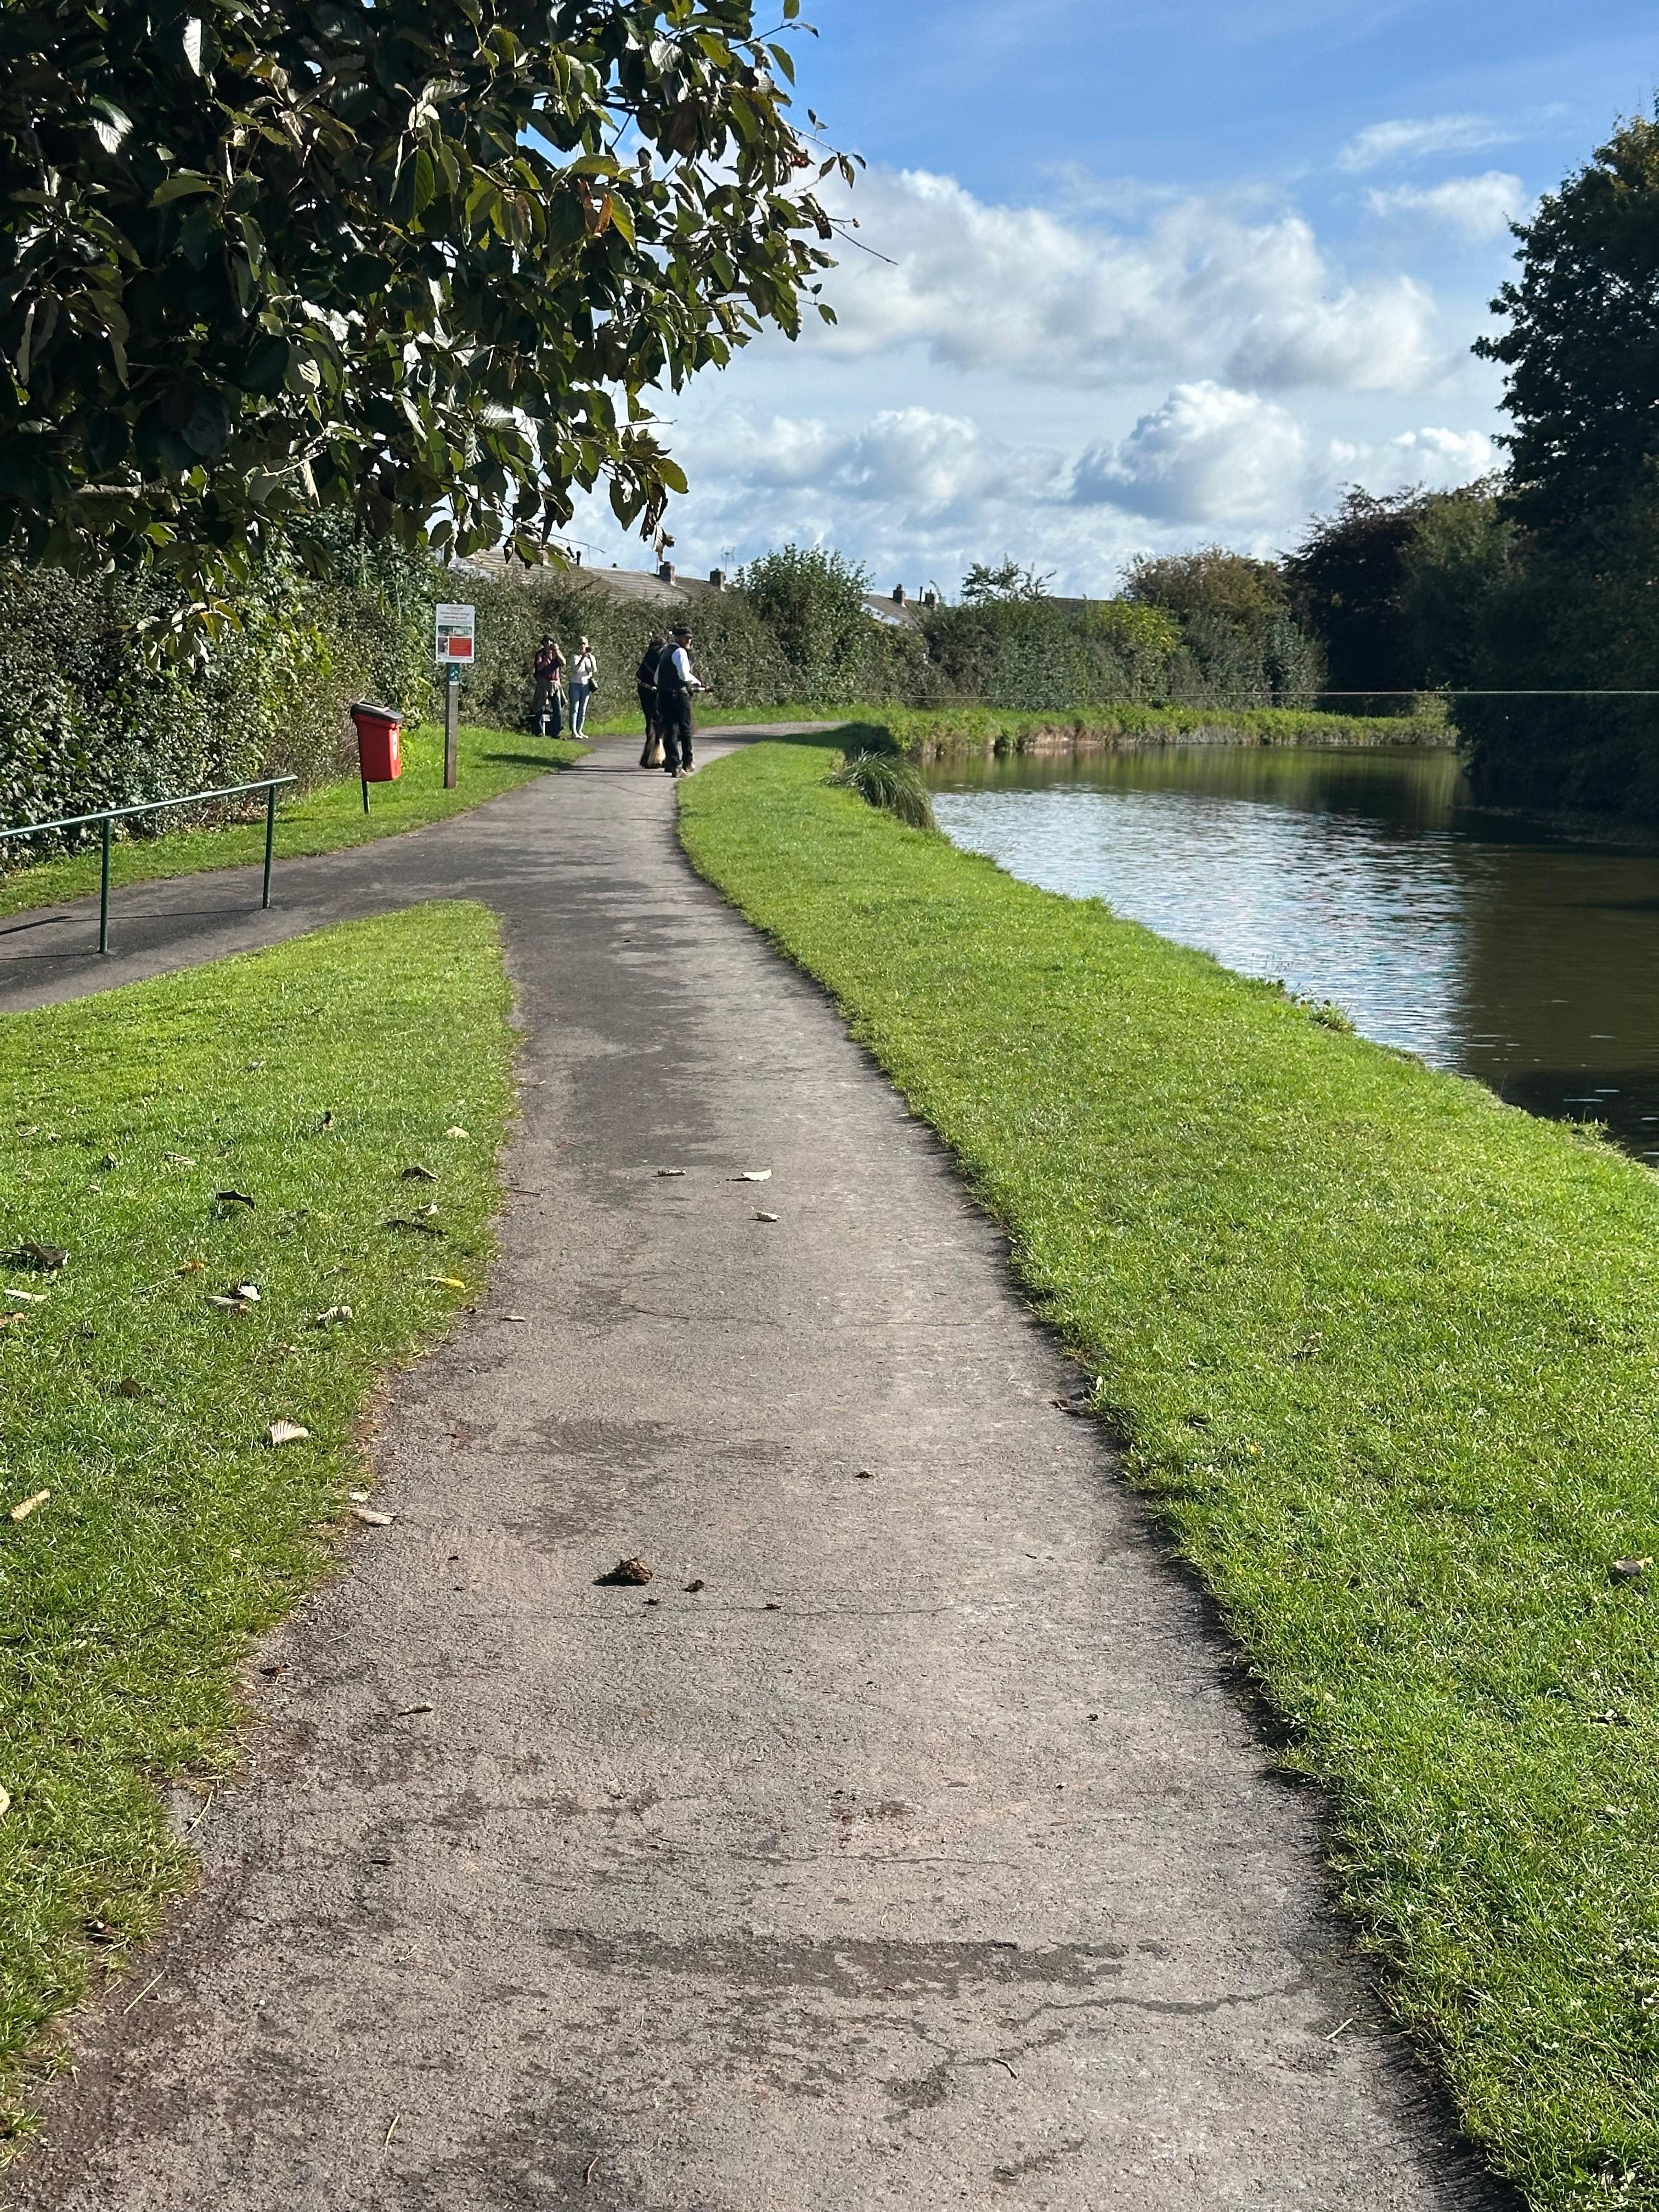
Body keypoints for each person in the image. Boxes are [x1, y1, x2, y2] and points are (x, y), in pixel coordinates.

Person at [656, 623, 702, 778]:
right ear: (678, 638)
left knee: (670, 729)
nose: (689, 640)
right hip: (678, 695)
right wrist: (697, 683)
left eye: (690, 638)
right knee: (685, 728)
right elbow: (684, 675)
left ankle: (673, 765)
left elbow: (657, 677)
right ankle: (688, 762)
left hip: (663, 695)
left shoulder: (665, 652)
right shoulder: (680, 652)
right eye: (686, 638)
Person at [636, 635, 666, 768]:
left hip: (647, 690)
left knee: (650, 722)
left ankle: (649, 756)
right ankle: (664, 755)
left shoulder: (647, 658)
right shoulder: (666, 656)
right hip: (664, 691)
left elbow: (639, 675)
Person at [531, 635, 565, 737]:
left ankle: (556, 732)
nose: (549, 643)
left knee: (557, 708)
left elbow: (563, 663)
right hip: (543, 682)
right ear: (544, 643)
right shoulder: (540, 654)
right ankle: (538, 731)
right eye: (547, 642)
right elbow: (539, 667)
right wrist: (547, 657)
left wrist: (557, 652)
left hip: (555, 683)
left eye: (551, 641)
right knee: (540, 706)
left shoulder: (557, 653)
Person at [569, 635, 599, 737]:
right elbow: (576, 670)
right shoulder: (575, 657)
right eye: (581, 644)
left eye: (584, 644)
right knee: (575, 708)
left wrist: (589, 658)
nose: (583, 646)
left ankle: (580, 730)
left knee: (583, 709)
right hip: (575, 684)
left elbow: (594, 670)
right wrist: (582, 659)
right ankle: (574, 731)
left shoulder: (591, 657)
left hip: (586, 685)